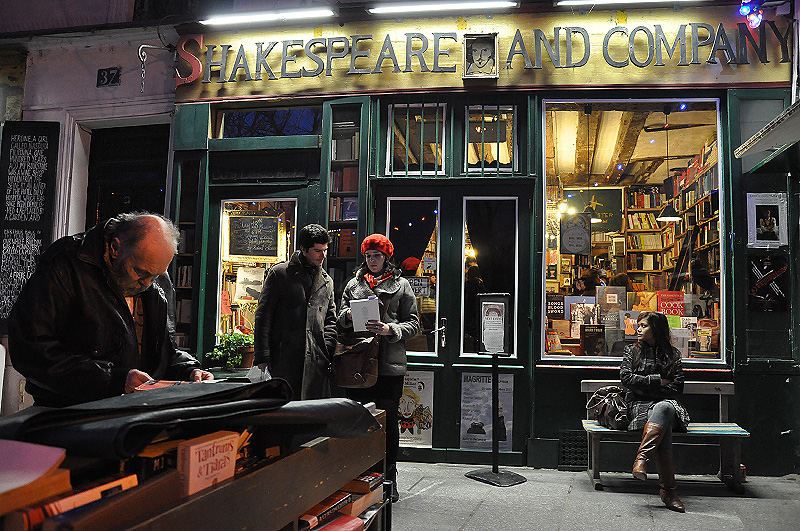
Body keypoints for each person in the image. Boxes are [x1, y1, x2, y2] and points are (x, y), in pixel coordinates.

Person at [9, 212, 213, 407]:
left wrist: (189, 370)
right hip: (68, 411)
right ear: (115, 248)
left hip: (136, 409)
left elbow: (162, 352)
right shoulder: (65, 262)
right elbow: (31, 350)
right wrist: (113, 379)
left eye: (157, 276)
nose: (148, 283)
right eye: (140, 272)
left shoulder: (153, 274)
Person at [338, 234, 421, 502]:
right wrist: (349, 316)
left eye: (377, 256)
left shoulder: (402, 285)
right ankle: (360, 475)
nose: (372, 261)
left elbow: (415, 324)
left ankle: (388, 478)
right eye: (369, 256)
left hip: (387, 365)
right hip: (359, 362)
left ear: (386, 258)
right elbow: (338, 319)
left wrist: (390, 329)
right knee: (359, 421)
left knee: (387, 424)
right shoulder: (354, 285)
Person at [254, 223, 336, 400]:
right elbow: (263, 316)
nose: (323, 256)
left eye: (325, 250)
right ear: (303, 249)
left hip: (316, 360)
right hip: (285, 357)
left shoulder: (326, 281)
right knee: (286, 414)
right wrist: (262, 355)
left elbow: (330, 319)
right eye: (317, 251)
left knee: (313, 415)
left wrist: (326, 348)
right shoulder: (280, 274)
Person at [620, 311, 690, 513]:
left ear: (656, 328)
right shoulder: (631, 351)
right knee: (663, 420)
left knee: (664, 408)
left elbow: (677, 386)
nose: (638, 329)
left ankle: (642, 460)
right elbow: (626, 379)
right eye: (638, 325)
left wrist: (643, 385)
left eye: (644, 325)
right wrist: (658, 381)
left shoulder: (672, 354)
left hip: (667, 405)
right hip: (639, 408)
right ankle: (669, 492)